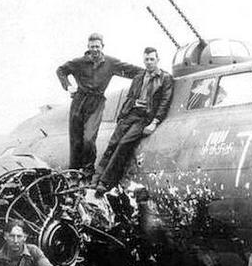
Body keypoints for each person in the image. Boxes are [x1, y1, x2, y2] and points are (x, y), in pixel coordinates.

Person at [56, 33, 143, 180]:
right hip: (79, 101)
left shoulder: (110, 63)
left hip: (96, 102)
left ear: (102, 47)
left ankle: (88, 171)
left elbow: (135, 71)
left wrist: (152, 74)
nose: (95, 50)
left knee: (89, 139)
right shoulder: (79, 62)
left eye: (97, 46)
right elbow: (61, 71)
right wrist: (68, 86)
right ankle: (74, 173)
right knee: (76, 140)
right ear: (88, 48)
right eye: (92, 47)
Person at [94, 47, 174, 194]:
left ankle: (105, 182)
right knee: (112, 143)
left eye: (152, 59)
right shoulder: (138, 77)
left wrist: (154, 122)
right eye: (146, 59)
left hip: (144, 117)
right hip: (130, 113)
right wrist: (121, 117)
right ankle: (95, 179)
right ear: (143, 60)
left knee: (124, 145)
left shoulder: (165, 78)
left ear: (158, 60)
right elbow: (130, 97)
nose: (149, 62)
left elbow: (165, 102)